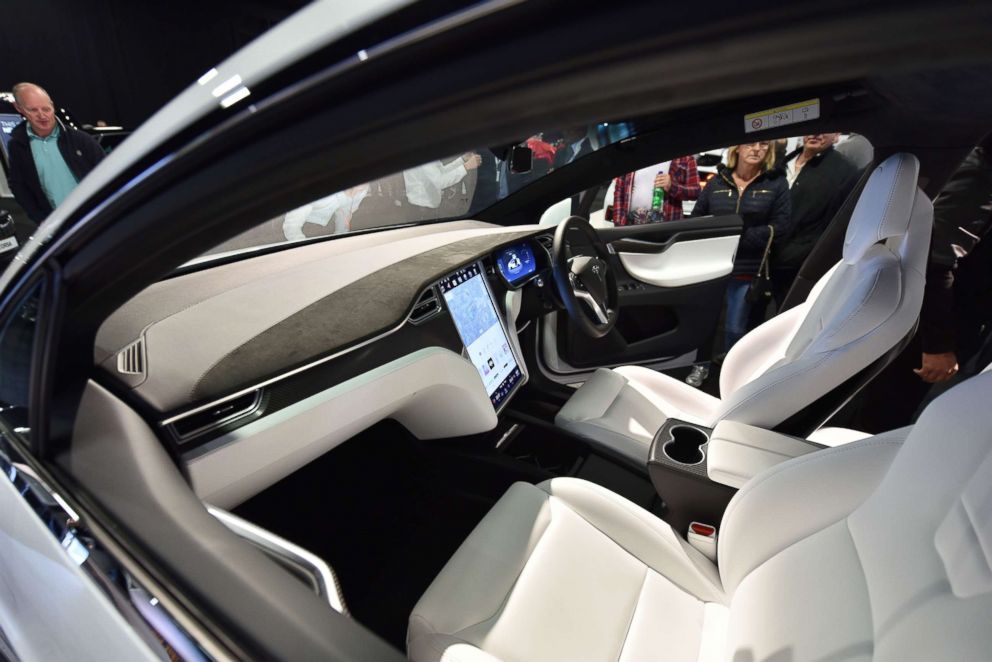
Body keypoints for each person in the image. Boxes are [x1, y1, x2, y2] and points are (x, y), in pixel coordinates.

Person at [691, 141, 791, 355]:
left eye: (763, 144)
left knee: (735, 327)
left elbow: (780, 226)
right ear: (737, 148)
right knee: (705, 322)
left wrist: (740, 237)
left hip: (749, 267)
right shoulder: (717, 181)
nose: (756, 149)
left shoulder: (776, 183)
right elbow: (697, 219)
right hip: (713, 266)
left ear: (769, 150)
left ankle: (730, 368)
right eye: (750, 143)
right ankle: (701, 365)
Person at [771, 133, 859, 306]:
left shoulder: (844, 171)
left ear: (836, 136)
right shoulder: (781, 163)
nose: (816, 134)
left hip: (802, 266)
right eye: (813, 129)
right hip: (766, 260)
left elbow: (839, 224)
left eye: (825, 130)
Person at [7, 82, 105, 223]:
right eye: (33, 110)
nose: (42, 115)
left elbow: (107, 174)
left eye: (46, 109)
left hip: (94, 219)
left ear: (52, 105)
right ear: (19, 108)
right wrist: (40, 219)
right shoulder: (17, 146)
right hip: (57, 229)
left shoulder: (81, 140)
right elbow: (18, 186)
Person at [611, 156, 701, 224]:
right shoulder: (633, 155)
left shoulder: (684, 157)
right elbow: (619, 189)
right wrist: (618, 221)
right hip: (631, 223)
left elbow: (696, 191)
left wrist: (672, 187)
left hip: (665, 225)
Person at [403, 153, 481, 218]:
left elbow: (441, 172)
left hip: (421, 208)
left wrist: (462, 160)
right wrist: (466, 167)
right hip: (422, 210)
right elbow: (440, 182)